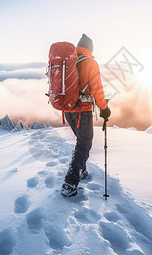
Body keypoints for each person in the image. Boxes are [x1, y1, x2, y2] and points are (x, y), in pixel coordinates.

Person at [61, 34, 111, 197]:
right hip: (82, 111)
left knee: (81, 142)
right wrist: (104, 108)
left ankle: (81, 170)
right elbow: (97, 89)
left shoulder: (69, 62)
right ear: (90, 49)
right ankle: (70, 183)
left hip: (68, 110)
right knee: (84, 144)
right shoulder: (90, 63)